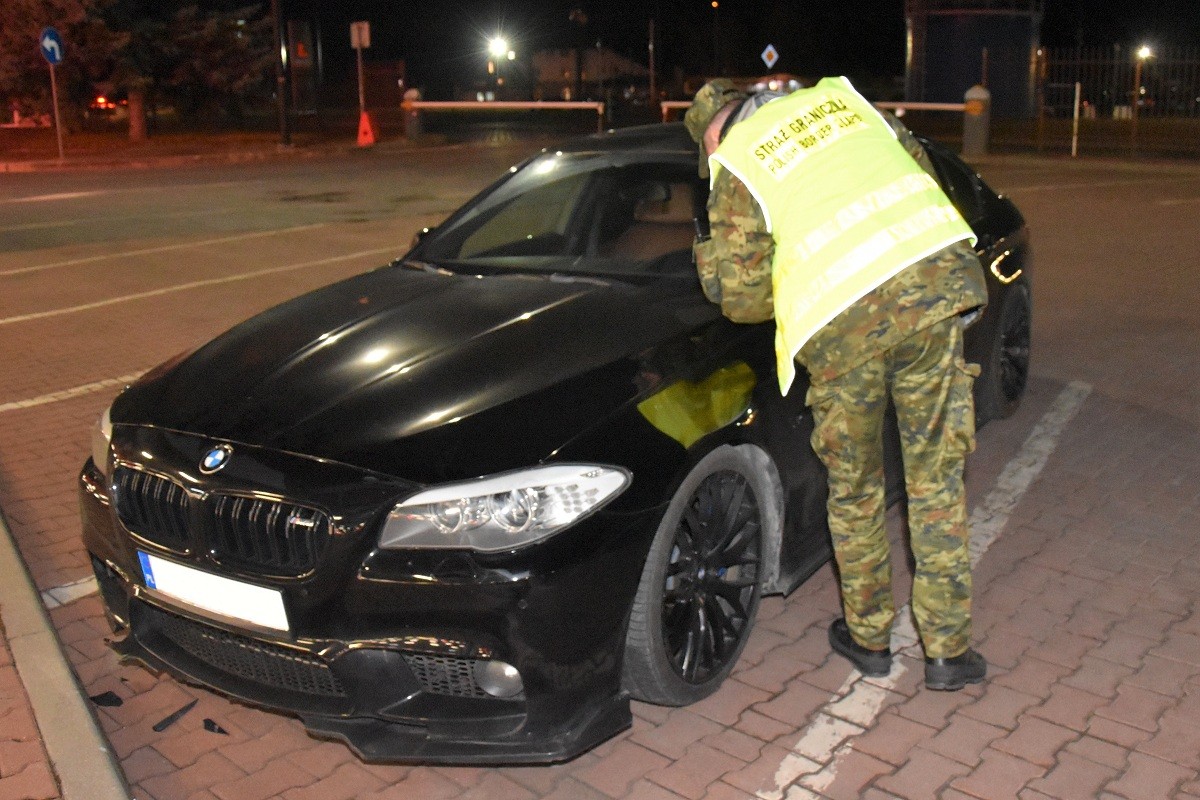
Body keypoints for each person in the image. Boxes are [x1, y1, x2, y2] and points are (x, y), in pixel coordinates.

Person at [684, 77, 989, 691]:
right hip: (932, 299)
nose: (713, 161)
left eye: (710, 149)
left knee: (855, 490)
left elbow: (744, 303)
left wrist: (710, 259)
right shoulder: (851, 103)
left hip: (843, 329)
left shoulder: (740, 162)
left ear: (721, 127)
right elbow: (924, 179)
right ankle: (949, 654)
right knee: (936, 479)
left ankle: (871, 638)